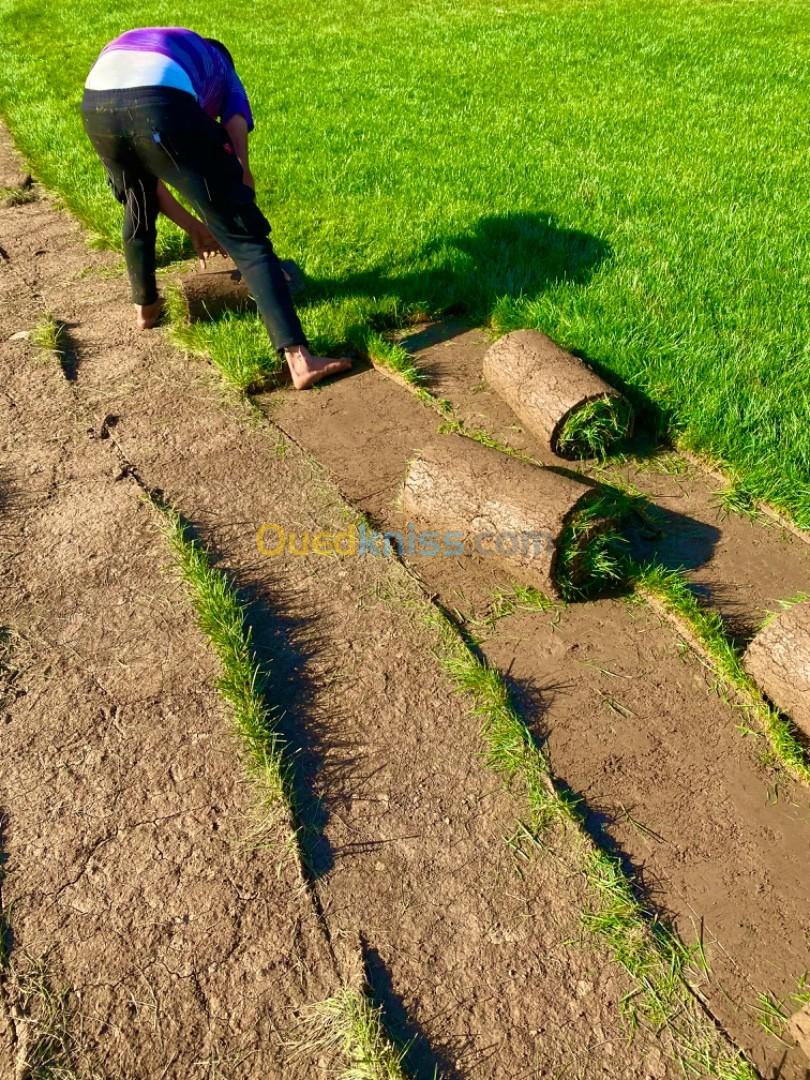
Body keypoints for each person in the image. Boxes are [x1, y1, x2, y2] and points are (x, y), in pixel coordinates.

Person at [81, 27, 351, 389]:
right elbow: (237, 144)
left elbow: (153, 185)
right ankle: (301, 362)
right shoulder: (224, 71)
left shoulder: (178, 53)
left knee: (137, 202)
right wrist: (237, 207)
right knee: (245, 234)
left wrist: (196, 225)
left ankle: (145, 309)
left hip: (96, 101)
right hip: (159, 99)